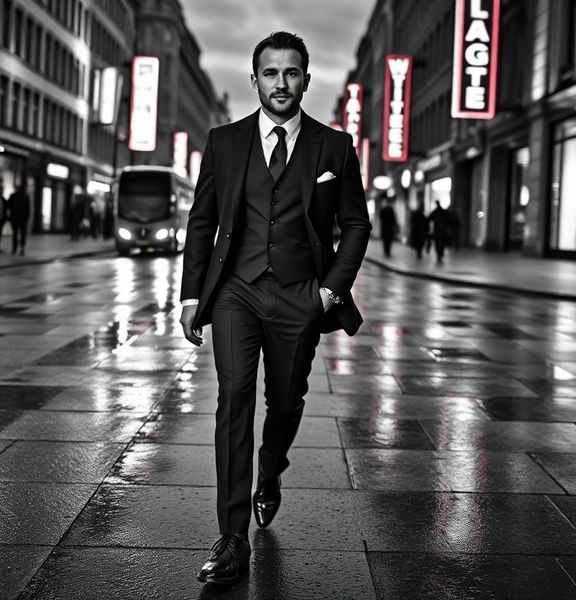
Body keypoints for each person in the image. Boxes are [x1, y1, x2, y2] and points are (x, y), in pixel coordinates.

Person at [179, 31, 371, 586]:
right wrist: (193, 295)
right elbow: (202, 220)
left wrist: (328, 292)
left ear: (305, 79)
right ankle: (232, 536)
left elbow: (356, 224)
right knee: (234, 397)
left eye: (291, 73)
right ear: (255, 79)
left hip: (299, 294)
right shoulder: (224, 141)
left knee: (285, 404)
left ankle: (271, 469)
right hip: (236, 290)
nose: (280, 83)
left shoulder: (333, 146)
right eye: (270, 73)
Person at [8, 184, 30, 255]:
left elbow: (9, 206)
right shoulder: (25, 196)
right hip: (21, 219)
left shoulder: (13, 196)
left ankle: (15, 249)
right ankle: (21, 248)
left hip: (16, 218)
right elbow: (27, 209)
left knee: (16, 234)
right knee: (21, 234)